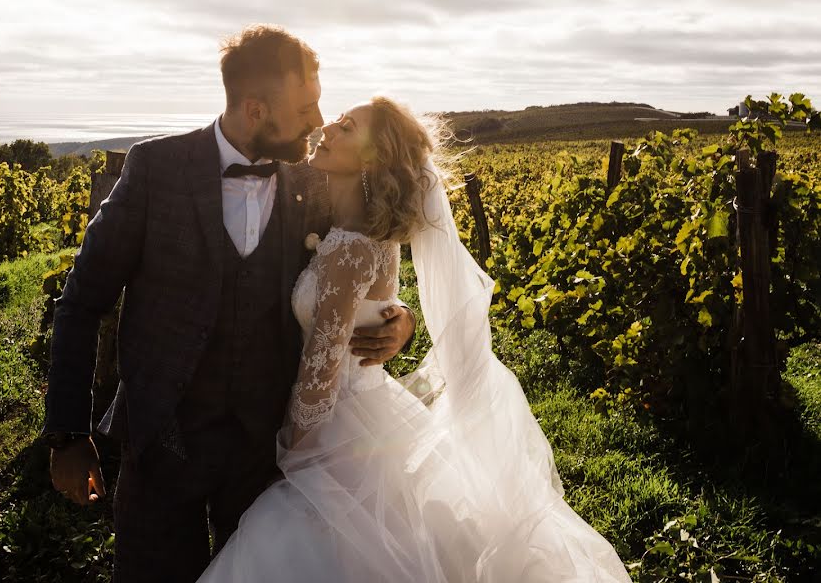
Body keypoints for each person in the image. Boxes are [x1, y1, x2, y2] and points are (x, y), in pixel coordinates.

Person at [196, 97, 634, 582]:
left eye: (346, 127)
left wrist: (295, 462)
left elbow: (318, 381)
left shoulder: (347, 251)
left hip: (336, 428)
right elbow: (369, 311)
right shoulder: (362, 235)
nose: (327, 128)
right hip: (370, 411)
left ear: (370, 158)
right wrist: (398, 317)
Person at [39, 25, 416, 582]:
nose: (319, 121)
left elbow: (364, 259)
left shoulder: (314, 183)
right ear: (257, 109)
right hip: (162, 444)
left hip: (266, 453)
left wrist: (399, 321)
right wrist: (69, 434)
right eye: (307, 107)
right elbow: (81, 299)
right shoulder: (154, 170)